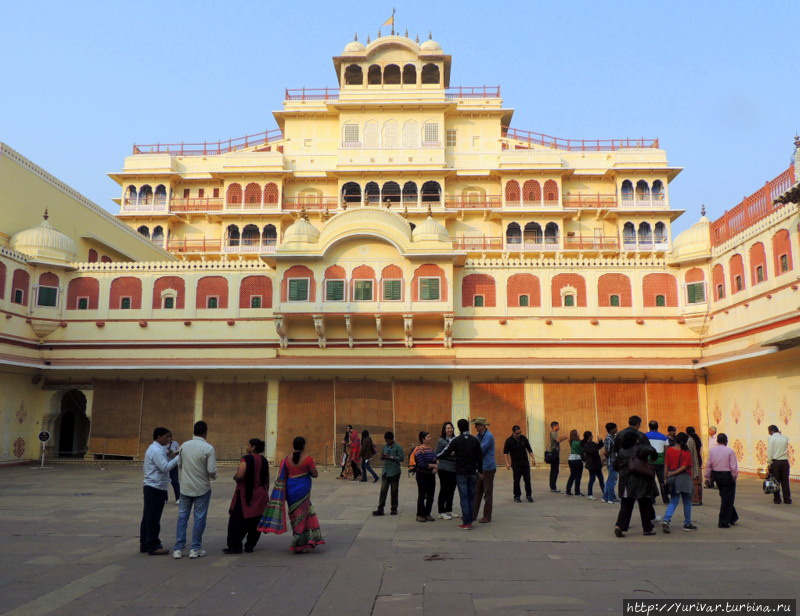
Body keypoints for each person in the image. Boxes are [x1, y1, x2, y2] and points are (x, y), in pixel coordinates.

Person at [259, 436, 324, 553]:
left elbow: (283, 475)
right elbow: (315, 474)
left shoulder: (286, 460)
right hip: (303, 490)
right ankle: (299, 544)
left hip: (290, 490)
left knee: (294, 516)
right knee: (303, 516)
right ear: (304, 446)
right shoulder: (308, 459)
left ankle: (299, 539)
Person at [173, 421, 217, 560]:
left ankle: (178, 549)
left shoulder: (184, 446)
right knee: (199, 518)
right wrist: (213, 476)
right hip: (202, 487)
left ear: (194, 431)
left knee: (182, 517)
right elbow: (211, 471)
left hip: (185, 487)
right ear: (205, 432)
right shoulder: (208, 448)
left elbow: (179, 464)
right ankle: (195, 548)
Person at [224, 438, 269, 554]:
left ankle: (235, 545)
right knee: (255, 520)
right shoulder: (264, 460)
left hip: (245, 494)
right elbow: (266, 479)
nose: (247, 446)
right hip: (260, 493)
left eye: (248, 444)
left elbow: (240, 474)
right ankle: (250, 544)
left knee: (237, 520)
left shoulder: (246, 459)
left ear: (253, 447)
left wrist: (235, 477)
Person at [436, 418, 482, 530]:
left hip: (461, 472)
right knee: (471, 497)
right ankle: (470, 518)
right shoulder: (474, 440)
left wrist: (435, 457)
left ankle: (466, 522)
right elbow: (479, 457)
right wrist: (480, 471)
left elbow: (445, 452)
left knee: (464, 497)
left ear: (459, 428)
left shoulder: (456, 440)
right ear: (468, 427)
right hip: (472, 472)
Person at [140, 427, 180, 555]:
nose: (169, 439)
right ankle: (153, 545)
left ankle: (145, 543)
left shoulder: (157, 449)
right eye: (166, 437)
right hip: (155, 487)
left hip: (154, 486)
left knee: (148, 516)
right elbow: (164, 467)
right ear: (159, 436)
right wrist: (178, 458)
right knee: (153, 518)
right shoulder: (156, 450)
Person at [613, 429, 658, 537]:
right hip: (642, 482)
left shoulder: (622, 452)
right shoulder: (640, 448)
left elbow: (615, 466)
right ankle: (647, 528)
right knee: (645, 505)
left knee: (626, 506)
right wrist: (652, 459)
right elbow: (652, 450)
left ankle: (620, 526)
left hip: (626, 483)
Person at [661, 432, 697, 533]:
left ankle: (666, 519)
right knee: (687, 501)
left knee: (673, 501)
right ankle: (687, 523)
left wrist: (666, 478)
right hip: (685, 478)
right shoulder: (686, 452)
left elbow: (666, 466)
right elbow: (684, 467)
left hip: (673, 479)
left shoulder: (669, 451)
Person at [703, 433, 738, 528]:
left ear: (717, 441)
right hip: (727, 475)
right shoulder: (730, 451)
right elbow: (734, 467)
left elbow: (708, 465)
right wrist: (734, 477)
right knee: (728, 498)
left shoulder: (712, 451)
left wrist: (707, 477)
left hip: (717, 476)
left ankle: (733, 517)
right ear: (726, 441)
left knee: (725, 497)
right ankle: (723, 521)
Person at [372, 431, 404, 516]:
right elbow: (382, 455)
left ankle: (394, 508)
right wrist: (383, 456)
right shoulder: (385, 447)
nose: (387, 442)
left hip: (394, 472)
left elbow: (401, 458)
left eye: (388, 441)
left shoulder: (398, 447)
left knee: (394, 491)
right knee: (383, 490)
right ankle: (380, 508)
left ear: (392, 439)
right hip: (386, 471)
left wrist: (391, 457)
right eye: (386, 441)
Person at [472, 417, 496, 523]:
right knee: (477, 492)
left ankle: (487, 516)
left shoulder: (488, 436)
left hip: (488, 467)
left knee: (487, 492)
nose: (475, 427)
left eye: (477, 425)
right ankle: (472, 515)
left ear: (482, 426)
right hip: (481, 467)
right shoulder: (478, 436)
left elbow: (481, 450)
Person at [410, 431, 438, 522]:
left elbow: (434, 459)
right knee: (422, 494)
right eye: (428, 437)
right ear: (423, 439)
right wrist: (433, 466)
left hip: (430, 475)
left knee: (431, 495)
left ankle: (427, 513)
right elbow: (421, 464)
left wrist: (435, 468)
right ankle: (420, 514)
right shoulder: (419, 449)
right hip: (422, 475)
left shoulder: (430, 449)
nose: (430, 438)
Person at [503, 424, 535, 503]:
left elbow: (529, 449)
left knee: (527, 479)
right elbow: (505, 452)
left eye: (520, 432)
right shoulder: (509, 441)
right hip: (516, 464)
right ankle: (517, 496)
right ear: (513, 432)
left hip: (525, 463)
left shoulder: (523, 438)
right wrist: (507, 462)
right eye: (517, 433)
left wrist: (533, 458)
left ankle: (529, 495)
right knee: (516, 480)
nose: (519, 434)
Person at [435, 421, 458, 519]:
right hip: (444, 468)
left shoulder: (456, 440)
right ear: (444, 430)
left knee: (451, 490)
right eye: (448, 428)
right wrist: (449, 453)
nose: (450, 430)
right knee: (444, 489)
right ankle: (441, 511)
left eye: (451, 428)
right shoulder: (441, 441)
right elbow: (437, 454)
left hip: (454, 468)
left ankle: (449, 509)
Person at [645, 420, 670, 505]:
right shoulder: (664, 437)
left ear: (649, 427)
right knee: (662, 480)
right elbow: (667, 451)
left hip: (649, 461)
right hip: (660, 461)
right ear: (657, 427)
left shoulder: (645, 436)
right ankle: (665, 499)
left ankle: (652, 499)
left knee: (651, 481)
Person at [767, 425, 791, 505]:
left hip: (776, 462)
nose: (769, 433)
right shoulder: (785, 438)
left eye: (769, 431)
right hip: (785, 462)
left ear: (771, 430)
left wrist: (769, 463)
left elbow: (770, 452)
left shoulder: (771, 438)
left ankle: (777, 499)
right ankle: (787, 499)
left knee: (775, 481)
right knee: (785, 481)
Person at [580, 431, 604, 500]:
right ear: (589, 436)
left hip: (597, 464)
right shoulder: (586, 445)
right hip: (592, 465)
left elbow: (599, 446)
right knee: (592, 479)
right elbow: (592, 451)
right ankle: (590, 494)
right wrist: (596, 445)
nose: (592, 437)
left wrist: (600, 441)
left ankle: (605, 493)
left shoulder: (592, 443)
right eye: (591, 435)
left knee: (601, 479)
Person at [547, 421, 567, 493]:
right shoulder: (553, 433)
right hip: (554, 453)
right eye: (558, 426)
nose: (559, 427)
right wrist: (564, 438)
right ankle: (553, 487)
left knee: (555, 470)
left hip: (555, 453)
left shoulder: (555, 433)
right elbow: (558, 440)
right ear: (554, 426)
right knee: (554, 471)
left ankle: (553, 487)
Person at [685, 426, 703, 506]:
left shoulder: (690, 440)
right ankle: (700, 499)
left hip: (693, 462)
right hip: (698, 461)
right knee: (698, 482)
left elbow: (689, 453)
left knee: (694, 482)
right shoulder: (697, 439)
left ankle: (695, 499)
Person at [602, 422, 619, 504]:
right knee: (612, 480)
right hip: (612, 462)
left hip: (614, 461)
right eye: (615, 428)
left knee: (610, 480)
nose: (617, 429)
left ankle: (605, 497)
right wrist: (604, 459)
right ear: (612, 429)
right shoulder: (608, 439)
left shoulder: (613, 437)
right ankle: (610, 498)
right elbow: (606, 451)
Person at [565, 429, 584, 497]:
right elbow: (582, 450)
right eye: (578, 433)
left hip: (571, 459)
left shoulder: (572, 442)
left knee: (572, 475)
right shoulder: (578, 442)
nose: (579, 433)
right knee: (578, 476)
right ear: (576, 434)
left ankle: (568, 490)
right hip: (577, 459)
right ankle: (577, 491)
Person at [167, 431, 180, 505]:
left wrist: (172, 453)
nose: (168, 439)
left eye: (170, 437)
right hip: (165, 464)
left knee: (175, 481)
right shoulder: (163, 445)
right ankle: (165, 498)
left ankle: (178, 498)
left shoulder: (175, 443)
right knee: (164, 482)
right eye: (167, 437)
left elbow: (178, 453)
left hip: (173, 465)